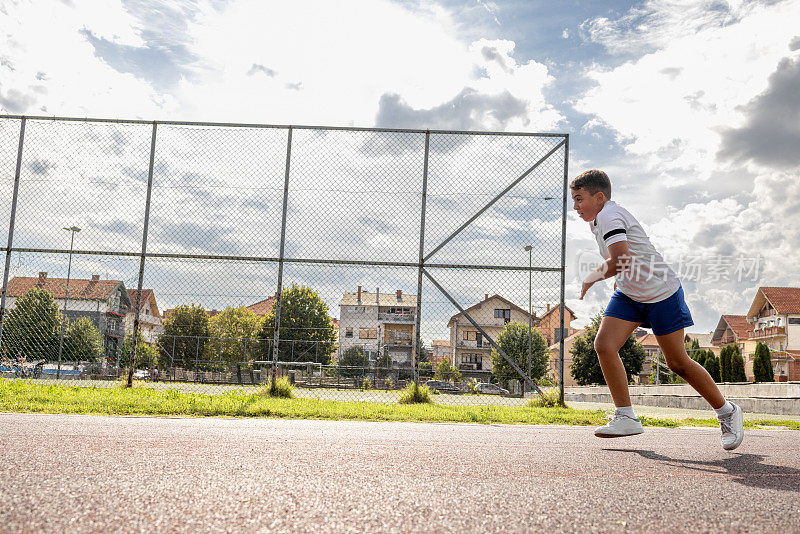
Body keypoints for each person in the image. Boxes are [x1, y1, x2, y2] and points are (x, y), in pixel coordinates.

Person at [572, 169, 743, 450]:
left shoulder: (608, 215)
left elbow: (622, 258)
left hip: (662, 293)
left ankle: (727, 411)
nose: (576, 207)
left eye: (579, 199)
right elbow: (631, 257)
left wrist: (590, 277)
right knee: (604, 345)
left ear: (599, 197)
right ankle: (626, 416)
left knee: (677, 363)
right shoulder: (599, 220)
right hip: (630, 294)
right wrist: (620, 283)